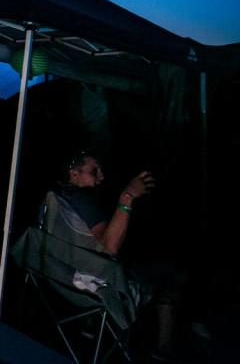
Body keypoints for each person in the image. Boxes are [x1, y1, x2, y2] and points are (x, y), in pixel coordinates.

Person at [54, 152, 183, 360]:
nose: (101, 176)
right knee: (169, 280)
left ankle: (89, 325)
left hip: (65, 274)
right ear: (74, 174)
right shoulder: (81, 198)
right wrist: (128, 196)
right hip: (94, 284)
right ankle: (163, 350)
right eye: (94, 171)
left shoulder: (59, 195)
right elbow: (109, 247)